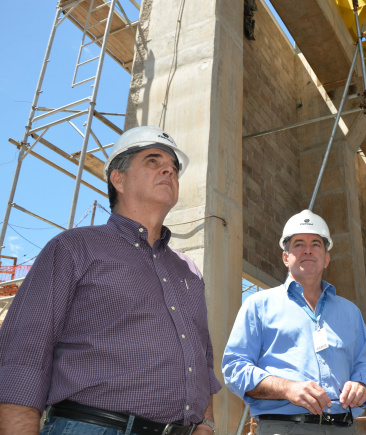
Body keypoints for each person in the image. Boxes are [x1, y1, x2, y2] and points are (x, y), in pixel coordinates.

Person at [0, 126, 220, 435]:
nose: (169, 169)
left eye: (173, 168)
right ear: (118, 178)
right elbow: (23, 355)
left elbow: (203, 360)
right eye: (153, 161)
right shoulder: (74, 248)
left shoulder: (188, 271)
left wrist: (206, 425)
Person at [222, 209, 366, 435]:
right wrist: (287, 389)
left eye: (316, 244)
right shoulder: (258, 305)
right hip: (284, 427)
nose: (307, 250)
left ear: (326, 258)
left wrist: (361, 385)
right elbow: (234, 368)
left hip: (343, 428)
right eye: (298, 244)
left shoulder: (350, 312)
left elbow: (365, 365)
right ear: (286, 257)